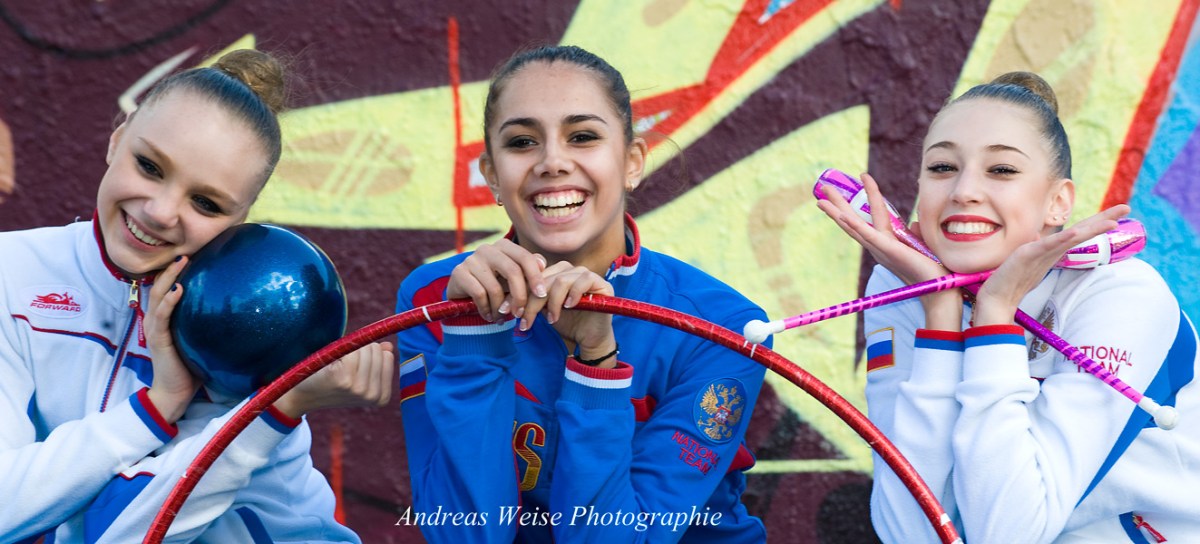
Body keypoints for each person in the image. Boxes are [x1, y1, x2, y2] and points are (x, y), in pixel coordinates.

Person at [0, 49, 393, 542]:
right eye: (149, 166)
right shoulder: (11, 272)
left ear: (242, 217)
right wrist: (157, 406)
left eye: (205, 202)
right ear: (117, 139)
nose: (162, 212)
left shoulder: (249, 327)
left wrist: (275, 410)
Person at [395, 45, 768, 543]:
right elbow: (468, 535)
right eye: (523, 141)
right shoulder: (436, 298)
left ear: (632, 161)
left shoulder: (723, 328)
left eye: (583, 136)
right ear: (491, 175)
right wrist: (475, 335)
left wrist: (596, 364)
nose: (552, 162)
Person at [818, 72, 1200, 543]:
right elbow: (912, 535)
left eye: (1001, 170)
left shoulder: (1121, 293)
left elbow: (1008, 534)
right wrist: (940, 313)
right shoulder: (902, 285)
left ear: (1058, 203)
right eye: (942, 168)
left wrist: (994, 313)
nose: (963, 191)